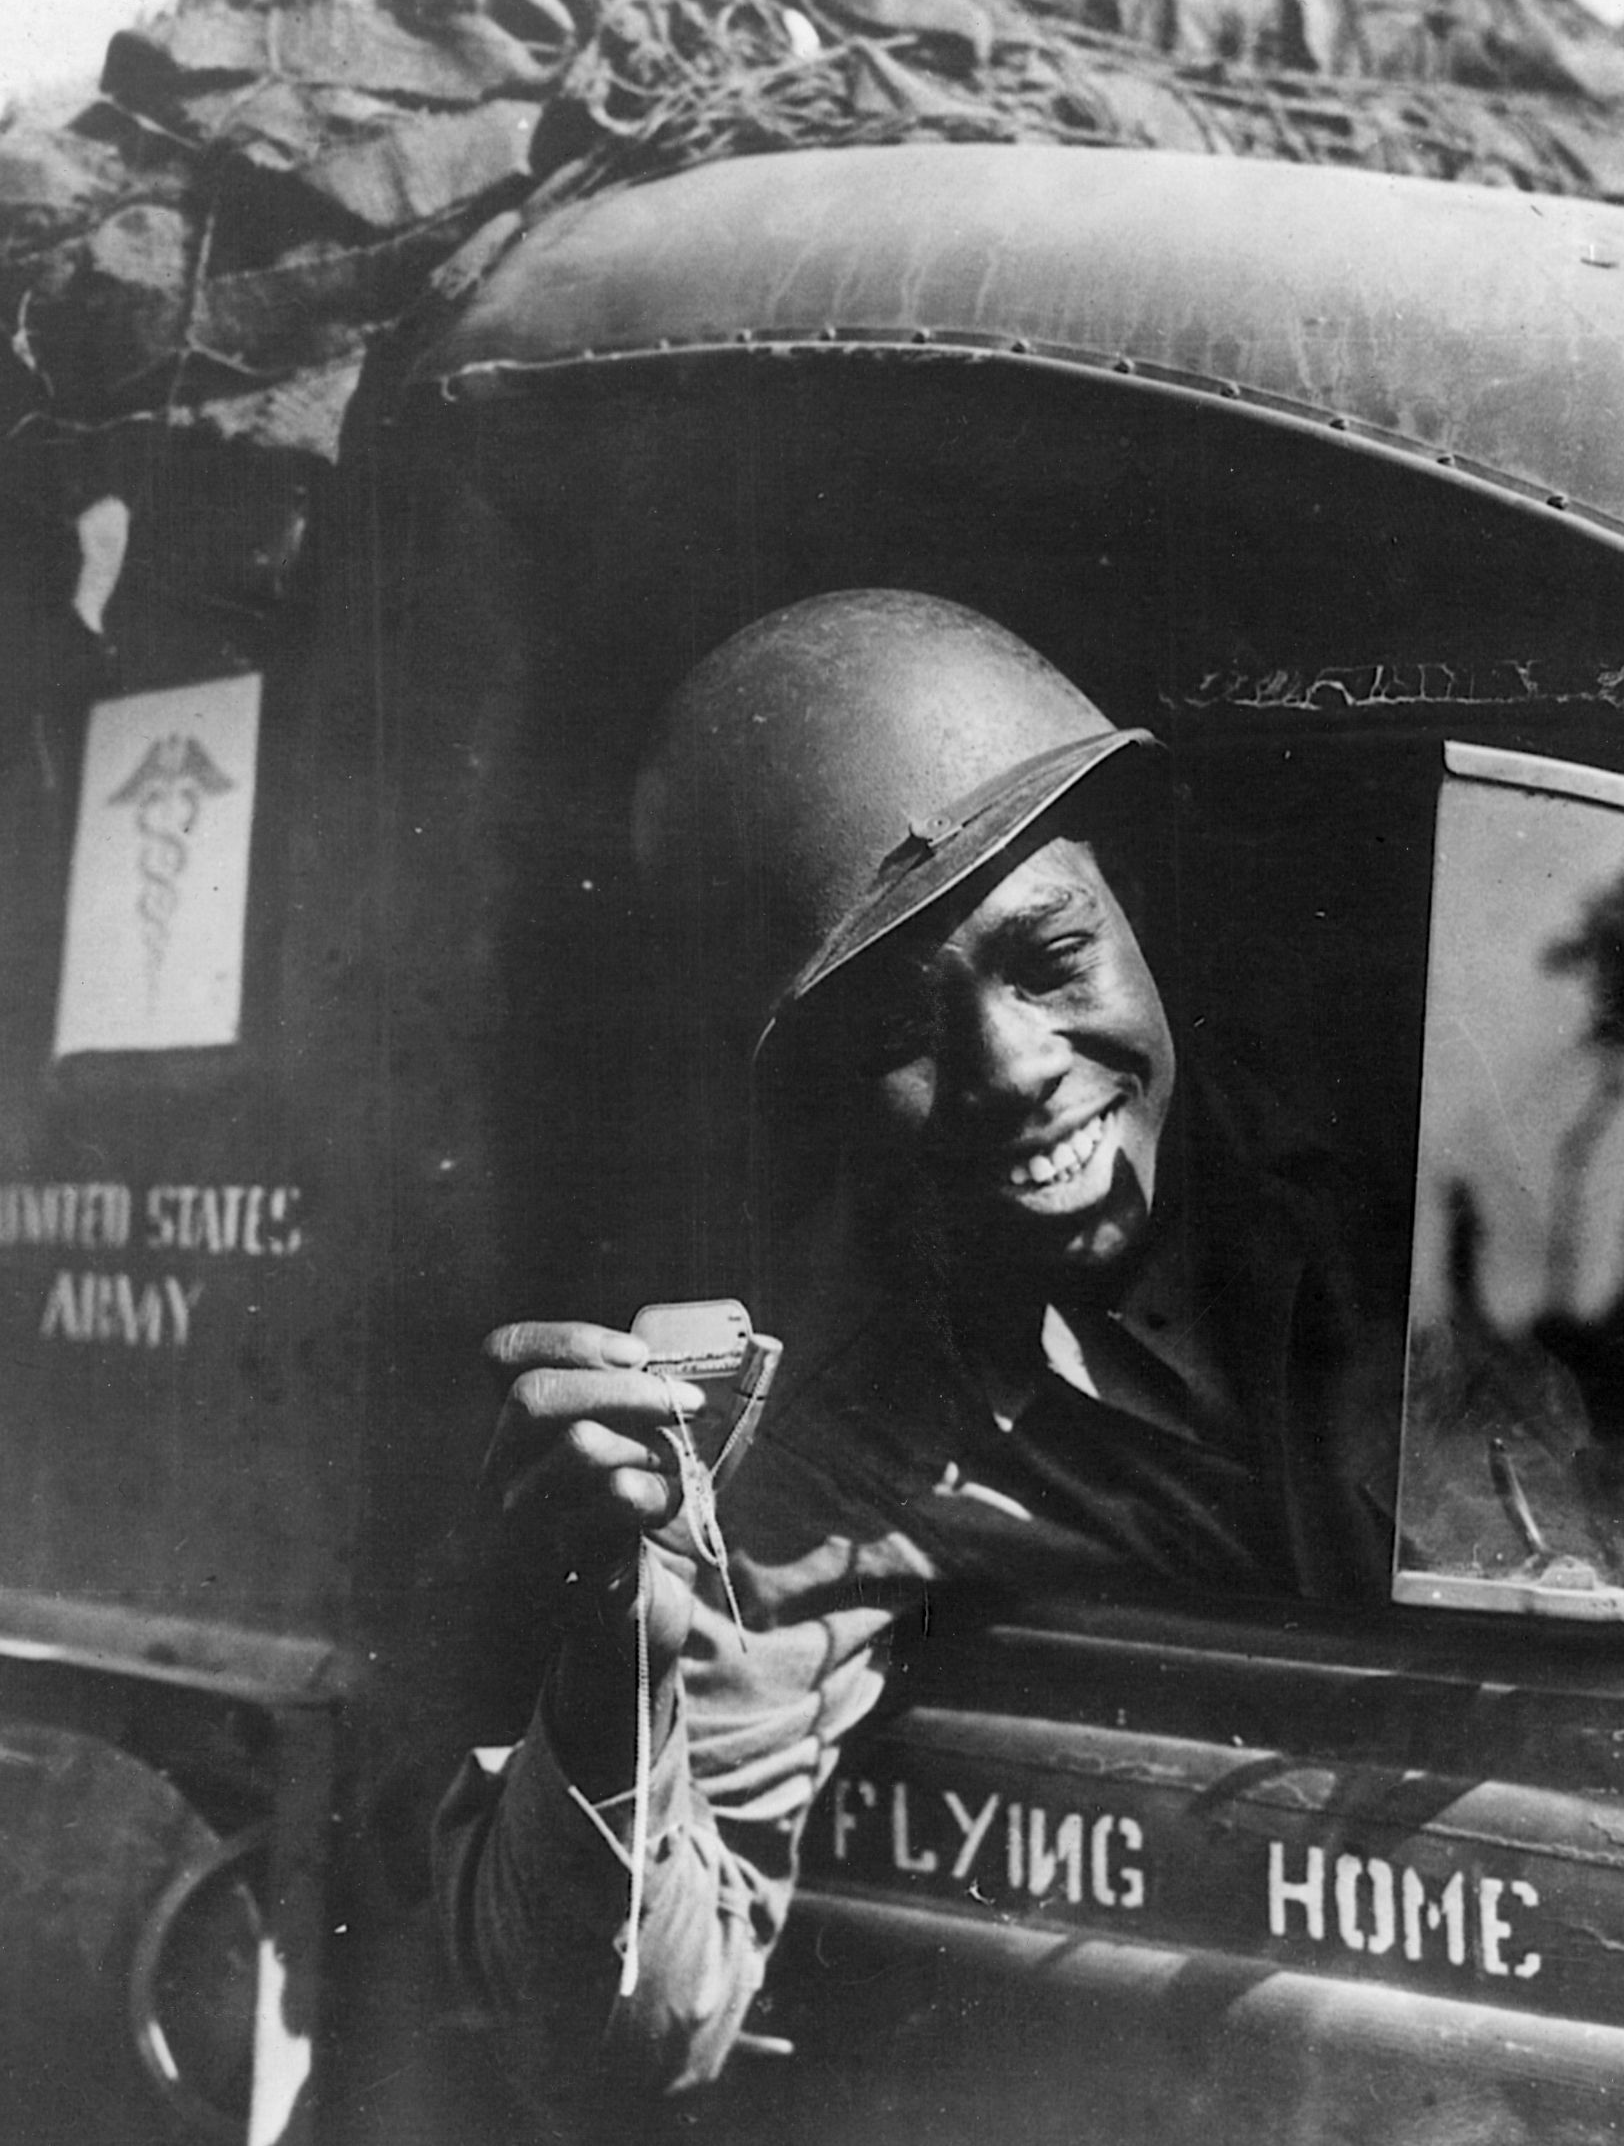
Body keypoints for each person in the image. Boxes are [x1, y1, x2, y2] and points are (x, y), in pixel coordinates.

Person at [434, 590, 1399, 2107]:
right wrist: (602, 1634)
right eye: (898, 1024)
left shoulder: (1419, 1175)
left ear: (1144, 914)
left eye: (1052, 957)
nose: (1011, 1067)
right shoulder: (839, 1431)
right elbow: (631, 2030)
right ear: (818, 1090)